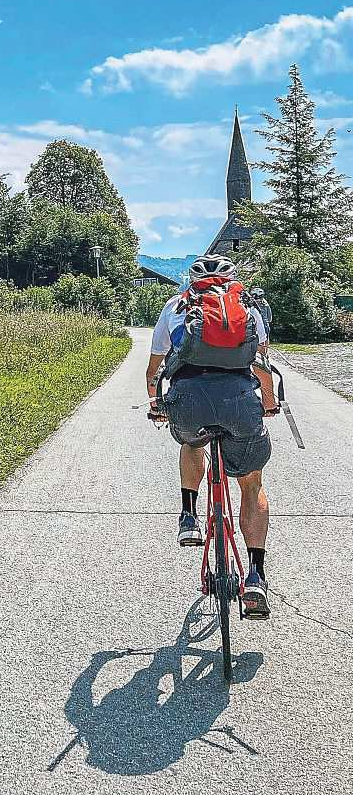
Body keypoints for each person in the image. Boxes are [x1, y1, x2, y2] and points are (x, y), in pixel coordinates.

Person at [145, 255, 278, 619]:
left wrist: (157, 404)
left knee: (192, 443)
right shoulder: (247, 308)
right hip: (238, 404)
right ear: (232, 279)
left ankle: (188, 517)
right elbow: (261, 365)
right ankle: (255, 576)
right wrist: (268, 404)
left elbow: (155, 368)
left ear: (192, 280)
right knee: (251, 484)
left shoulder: (176, 307)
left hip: (188, 404)